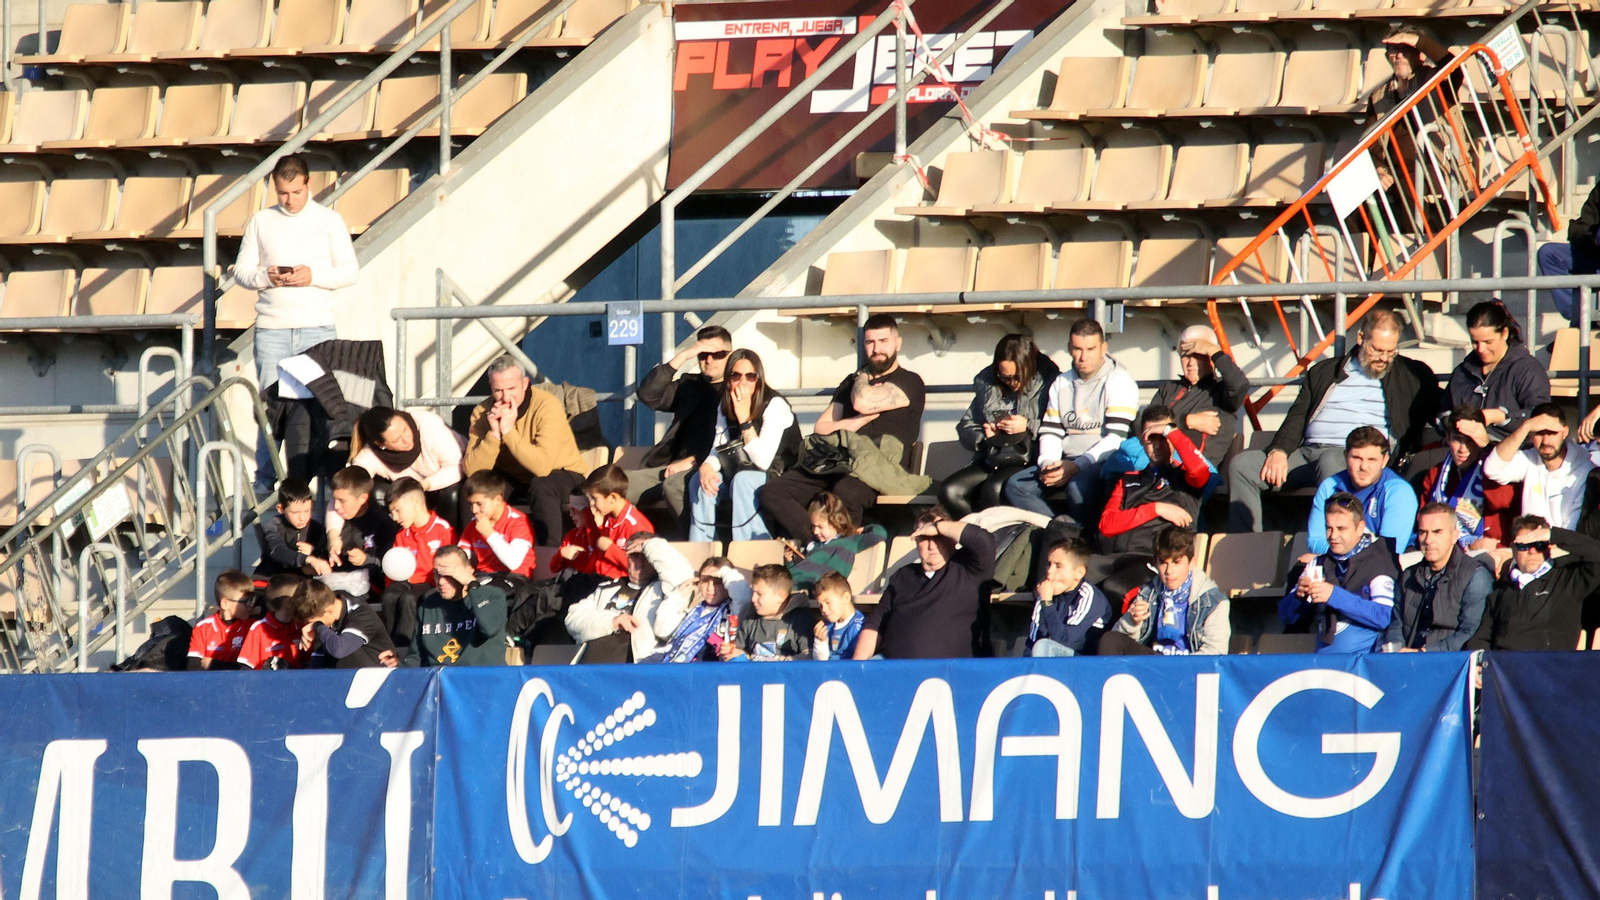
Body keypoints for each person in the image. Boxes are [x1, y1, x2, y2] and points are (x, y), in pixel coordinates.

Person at [1229, 310, 1439, 532]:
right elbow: (1298, 416)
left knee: (1330, 461)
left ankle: (1334, 543)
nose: (1384, 359)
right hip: (1307, 452)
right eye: (1377, 350)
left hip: (1354, 457)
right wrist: (1279, 450)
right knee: (1242, 466)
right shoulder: (1325, 372)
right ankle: (1247, 542)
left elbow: (1440, 406)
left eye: (1391, 351)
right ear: (1361, 338)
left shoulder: (1411, 375)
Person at [234, 154, 360, 496]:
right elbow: (241, 271)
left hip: (316, 327)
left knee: (319, 406)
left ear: (309, 185)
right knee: (270, 408)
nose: (289, 200)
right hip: (272, 328)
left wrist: (312, 276)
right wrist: (267, 276)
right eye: (282, 193)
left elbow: (350, 271)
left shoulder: (329, 220)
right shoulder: (261, 221)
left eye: (296, 192)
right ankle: (265, 480)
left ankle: (317, 482)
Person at [760, 314, 927, 540]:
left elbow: (862, 402)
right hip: (839, 459)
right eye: (870, 342)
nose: (876, 349)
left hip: (879, 465)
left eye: (883, 341)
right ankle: (816, 545)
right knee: (773, 492)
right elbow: (822, 427)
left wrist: (862, 377)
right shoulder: (851, 382)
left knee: (845, 491)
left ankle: (843, 551)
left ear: (898, 343)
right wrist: (858, 421)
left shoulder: (910, 381)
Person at [1005, 318, 1139, 523]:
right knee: (1016, 486)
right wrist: (1048, 464)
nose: (1084, 357)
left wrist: (1077, 466)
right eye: (1077, 349)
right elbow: (1051, 431)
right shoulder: (1061, 382)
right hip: (1066, 460)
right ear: (1069, 348)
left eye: (1090, 349)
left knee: (1077, 488)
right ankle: (1057, 530)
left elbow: (1115, 439)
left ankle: (1082, 538)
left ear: (1103, 348)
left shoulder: (1119, 381)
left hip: (1103, 460)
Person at [463, 355, 587, 545]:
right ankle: (470, 551)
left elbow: (542, 467)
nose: (505, 397)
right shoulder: (482, 412)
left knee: (542, 487)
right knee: (474, 488)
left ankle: (548, 555)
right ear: (490, 387)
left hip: (562, 472)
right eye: (498, 390)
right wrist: (494, 434)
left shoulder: (546, 405)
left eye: (511, 389)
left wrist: (508, 431)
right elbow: (473, 472)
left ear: (525, 384)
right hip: (515, 476)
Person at [939, 333, 1059, 518]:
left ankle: (993, 534)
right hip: (995, 456)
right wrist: (985, 436)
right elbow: (966, 425)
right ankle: (973, 530)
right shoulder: (988, 386)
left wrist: (1028, 425)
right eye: (1005, 377)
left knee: (994, 488)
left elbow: (1061, 426)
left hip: (1029, 457)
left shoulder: (1051, 383)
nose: (1012, 383)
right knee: (950, 491)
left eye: (1017, 377)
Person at [688, 349, 800, 542]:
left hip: (779, 472)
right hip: (741, 469)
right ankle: (702, 545)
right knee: (700, 480)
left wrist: (744, 420)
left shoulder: (775, 405)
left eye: (750, 376)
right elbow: (719, 445)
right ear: (728, 380)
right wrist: (706, 466)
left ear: (758, 379)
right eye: (736, 376)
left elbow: (763, 461)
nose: (742, 382)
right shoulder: (725, 405)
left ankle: (751, 545)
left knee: (743, 480)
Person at [852, 509, 996, 660]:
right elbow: (876, 624)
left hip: (954, 671)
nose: (932, 545)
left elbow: (984, 540)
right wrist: (856, 666)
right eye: (925, 538)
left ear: (952, 539)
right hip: (895, 667)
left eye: (938, 537)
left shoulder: (970, 568)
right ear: (916, 541)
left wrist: (938, 526)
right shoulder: (903, 576)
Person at [629, 326, 733, 523]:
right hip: (671, 466)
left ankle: (694, 540)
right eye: (703, 354)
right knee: (614, 486)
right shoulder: (689, 386)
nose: (709, 360)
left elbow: (734, 440)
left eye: (717, 354)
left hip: (711, 467)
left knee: (673, 486)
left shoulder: (736, 390)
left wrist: (694, 461)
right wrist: (683, 356)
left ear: (730, 355)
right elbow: (648, 395)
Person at [1279, 493, 1398, 653]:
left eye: (1341, 529)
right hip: (1323, 661)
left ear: (1360, 528)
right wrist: (1298, 598)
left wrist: (1333, 596)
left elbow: (1385, 617)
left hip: (1364, 661)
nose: (1333, 536)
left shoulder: (1379, 562)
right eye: (1329, 528)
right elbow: (1287, 617)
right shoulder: (1317, 563)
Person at [1469, 516, 1600, 651]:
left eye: (1539, 545)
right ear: (1513, 548)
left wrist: (1553, 534)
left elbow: (1597, 556)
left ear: (1548, 547)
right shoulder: (1501, 590)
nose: (1532, 551)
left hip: (1550, 662)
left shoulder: (1568, 578)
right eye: (1524, 546)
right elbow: (1481, 638)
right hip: (1505, 661)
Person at [1098, 406, 1212, 556]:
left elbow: (1199, 469)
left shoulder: (1186, 476)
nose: (1157, 445)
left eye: (1162, 437)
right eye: (1151, 438)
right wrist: (1155, 509)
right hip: (1121, 558)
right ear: (1142, 440)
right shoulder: (1127, 479)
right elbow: (1106, 526)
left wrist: (1169, 431)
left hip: (1162, 559)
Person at [564, 534, 696, 662]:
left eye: (645, 557)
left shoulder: (664, 590)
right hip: (587, 668)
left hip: (633, 669)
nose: (640, 563)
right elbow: (572, 620)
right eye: (635, 557)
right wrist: (612, 621)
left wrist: (648, 546)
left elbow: (683, 576)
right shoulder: (607, 588)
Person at [1099, 527, 1230, 656]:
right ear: (1155, 563)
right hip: (1154, 662)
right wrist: (1133, 622)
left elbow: (1215, 651)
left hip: (1189, 665)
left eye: (1176, 562)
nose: (1169, 571)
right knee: (1110, 640)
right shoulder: (1148, 593)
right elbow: (1119, 639)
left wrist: (1181, 666)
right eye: (1163, 563)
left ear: (1191, 563)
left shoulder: (1214, 601)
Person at [1384, 503, 1493, 652]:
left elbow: (1470, 632)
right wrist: (1395, 651)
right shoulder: (1408, 576)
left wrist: (1425, 653)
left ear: (1454, 536)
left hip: (1450, 661)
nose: (1428, 540)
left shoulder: (1475, 576)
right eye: (1422, 532)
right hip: (1407, 657)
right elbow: (1397, 623)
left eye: (1437, 532)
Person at [1438, 302, 1550, 445]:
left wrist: (1501, 417)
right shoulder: (1463, 371)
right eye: (1475, 342)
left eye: (1488, 342)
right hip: (1462, 448)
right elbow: (1443, 411)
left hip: (1512, 450)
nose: (1481, 349)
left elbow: (1542, 416)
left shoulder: (1527, 370)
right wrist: (1455, 422)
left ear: (1504, 333)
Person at [1419, 405, 1520, 551]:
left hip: (1493, 550)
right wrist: (1468, 546)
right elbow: (1424, 523)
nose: (1463, 449)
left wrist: (1487, 447)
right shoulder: (1436, 474)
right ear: (1447, 438)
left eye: (1471, 441)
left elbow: (1501, 500)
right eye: (1458, 440)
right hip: (1446, 550)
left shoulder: (1497, 469)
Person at [1484, 404, 1600, 530]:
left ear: (1565, 432)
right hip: (1527, 540)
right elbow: (1492, 469)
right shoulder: (1530, 458)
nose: (1546, 441)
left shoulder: (1585, 471)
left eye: (1552, 433)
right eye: (1539, 433)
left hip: (1562, 541)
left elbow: (1573, 531)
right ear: (1530, 436)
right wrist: (1525, 427)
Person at [1305, 427, 1418, 556]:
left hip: (1393, 564)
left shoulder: (1399, 492)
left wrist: (1342, 553)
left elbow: (1388, 551)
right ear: (1345, 457)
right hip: (1339, 560)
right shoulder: (1330, 486)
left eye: (1371, 460)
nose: (1364, 466)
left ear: (1384, 461)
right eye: (1357, 458)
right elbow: (1315, 541)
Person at [1149, 325, 1251, 468]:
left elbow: (1240, 384)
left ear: (1211, 358)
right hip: (1155, 463)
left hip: (1193, 471)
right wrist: (1185, 421)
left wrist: (1213, 350)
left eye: (1198, 355)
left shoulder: (1222, 393)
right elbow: (1146, 425)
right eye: (1185, 356)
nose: (1191, 363)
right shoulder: (1168, 389)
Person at [351, 406, 468, 523]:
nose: (406, 439)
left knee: (450, 494)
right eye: (396, 440)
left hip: (451, 483)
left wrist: (424, 485)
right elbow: (351, 483)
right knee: (379, 493)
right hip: (415, 494)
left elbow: (457, 466)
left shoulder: (426, 423)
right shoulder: (371, 455)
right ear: (380, 445)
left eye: (405, 429)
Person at [404, 546, 509, 667]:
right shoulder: (428, 605)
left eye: (449, 574)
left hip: (480, 676)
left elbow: (490, 628)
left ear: (468, 572)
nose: (441, 581)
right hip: (440, 676)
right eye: (437, 574)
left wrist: (472, 584)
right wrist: (396, 667)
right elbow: (415, 658)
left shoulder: (491, 595)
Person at [552, 465, 650, 580]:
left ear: (612, 498)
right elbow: (596, 549)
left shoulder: (635, 525)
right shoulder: (609, 518)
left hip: (619, 585)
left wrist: (610, 549)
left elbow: (641, 570)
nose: (592, 504)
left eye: (594, 499)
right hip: (599, 580)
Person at [651, 557, 752, 663]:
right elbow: (661, 630)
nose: (710, 588)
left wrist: (724, 572)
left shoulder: (734, 610)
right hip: (680, 665)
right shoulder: (693, 613)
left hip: (712, 667)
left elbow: (743, 595)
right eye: (705, 581)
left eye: (717, 582)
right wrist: (676, 597)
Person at [783, 492, 887, 592]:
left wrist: (865, 529)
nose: (815, 531)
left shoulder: (849, 542)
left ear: (836, 522)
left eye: (820, 527)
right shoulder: (814, 546)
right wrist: (789, 561)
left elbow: (880, 534)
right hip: (792, 583)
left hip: (812, 587)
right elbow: (799, 570)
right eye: (813, 526)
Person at [1026, 537, 1112, 657]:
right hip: (1052, 657)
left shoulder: (1089, 596)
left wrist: (1047, 603)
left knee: (1042, 647)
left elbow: (1064, 640)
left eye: (1058, 566)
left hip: (1084, 661)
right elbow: (1032, 641)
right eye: (1049, 564)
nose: (1049, 571)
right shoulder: (1046, 594)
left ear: (1079, 573)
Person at [719, 565, 815, 661]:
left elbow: (809, 656)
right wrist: (733, 652)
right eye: (753, 593)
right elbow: (741, 652)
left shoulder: (800, 621)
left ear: (781, 597)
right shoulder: (750, 618)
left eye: (759, 594)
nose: (753, 599)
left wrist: (784, 662)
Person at [1536, 182, 1600, 325]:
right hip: (1596, 256)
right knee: (1548, 254)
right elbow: (1581, 227)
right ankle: (1581, 315)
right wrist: (1593, 238)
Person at [295, 580, 396, 669]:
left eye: (311, 622)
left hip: (378, 678)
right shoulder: (324, 623)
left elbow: (340, 650)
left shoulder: (362, 613)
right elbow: (318, 663)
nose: (309, 626)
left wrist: (318, 626)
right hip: (343, 679)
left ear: (329, 611)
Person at [325, 466, 398, 584]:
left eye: (342, 501)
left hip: (368, 587)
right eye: (335, 500)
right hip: (334, 582)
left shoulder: (382, 524)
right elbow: (321, 555)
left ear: (363, 498)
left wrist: (365, 560)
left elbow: (387, 566)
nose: (336, 506)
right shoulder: (335, 522)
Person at [458, 470, 537, 578]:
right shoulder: (475, 523)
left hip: (515, 577)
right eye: (471, 504)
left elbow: (513, 563)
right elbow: (462, 555)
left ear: (498, 500)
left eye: (479, 504)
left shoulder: (519, 522)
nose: (474, 510)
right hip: (484, 576)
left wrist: (489, 533)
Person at [255, 477, 333, 577]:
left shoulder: (317, 529)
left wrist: (314, 552)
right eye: (295, 512)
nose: (302, 518)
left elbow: (325, 556)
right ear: (280, 508)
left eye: (307, 511)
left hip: (302, 579)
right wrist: (307, 559)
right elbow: (277, 549)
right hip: (272, 576)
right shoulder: (273, 526)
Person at [385, 477, 456, 586]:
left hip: (432, 586)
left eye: (397, 510)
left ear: (415, 501)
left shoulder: (443, 530)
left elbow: (451, 568)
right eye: (392, 513)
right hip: (404, 585)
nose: (394, 518)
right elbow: (393, 569)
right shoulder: (401, 535)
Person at [187, 570, 258, 670]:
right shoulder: (203, 628)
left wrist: (212, 664)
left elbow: (248, 669)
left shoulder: (253, 627)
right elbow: (193, 667)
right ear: (225, 604)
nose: (251, 605)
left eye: (252, 600)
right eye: (246, 601)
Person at [237, 575, 310, 670]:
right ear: (288, 602)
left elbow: (308, 664)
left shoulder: (302, 627)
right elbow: (246, 668)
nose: (305, 603)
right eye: (300, 599)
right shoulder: (259, 629)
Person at [811, 572, 865, 661]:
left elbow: (860, 661)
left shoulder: (858, 627)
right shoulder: (827, 626)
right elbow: (820, 662)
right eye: (820, 605)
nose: (823, 609)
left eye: (828, 602)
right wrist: (820, 641)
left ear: (846, 598)